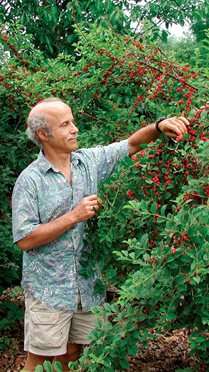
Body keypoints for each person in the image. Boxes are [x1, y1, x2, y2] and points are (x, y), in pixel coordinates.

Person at [12, 97, 189, 372]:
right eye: (65, 124)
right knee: (39, 364)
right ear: (43, 135)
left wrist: (159, 125)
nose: (75, 129)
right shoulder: (30, 181)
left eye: (73, 121)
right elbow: (24, 239)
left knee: (73, 354)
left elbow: (131, 145)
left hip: (86, 286)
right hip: (49, 289)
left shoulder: (88, 162)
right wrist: (74, 216)